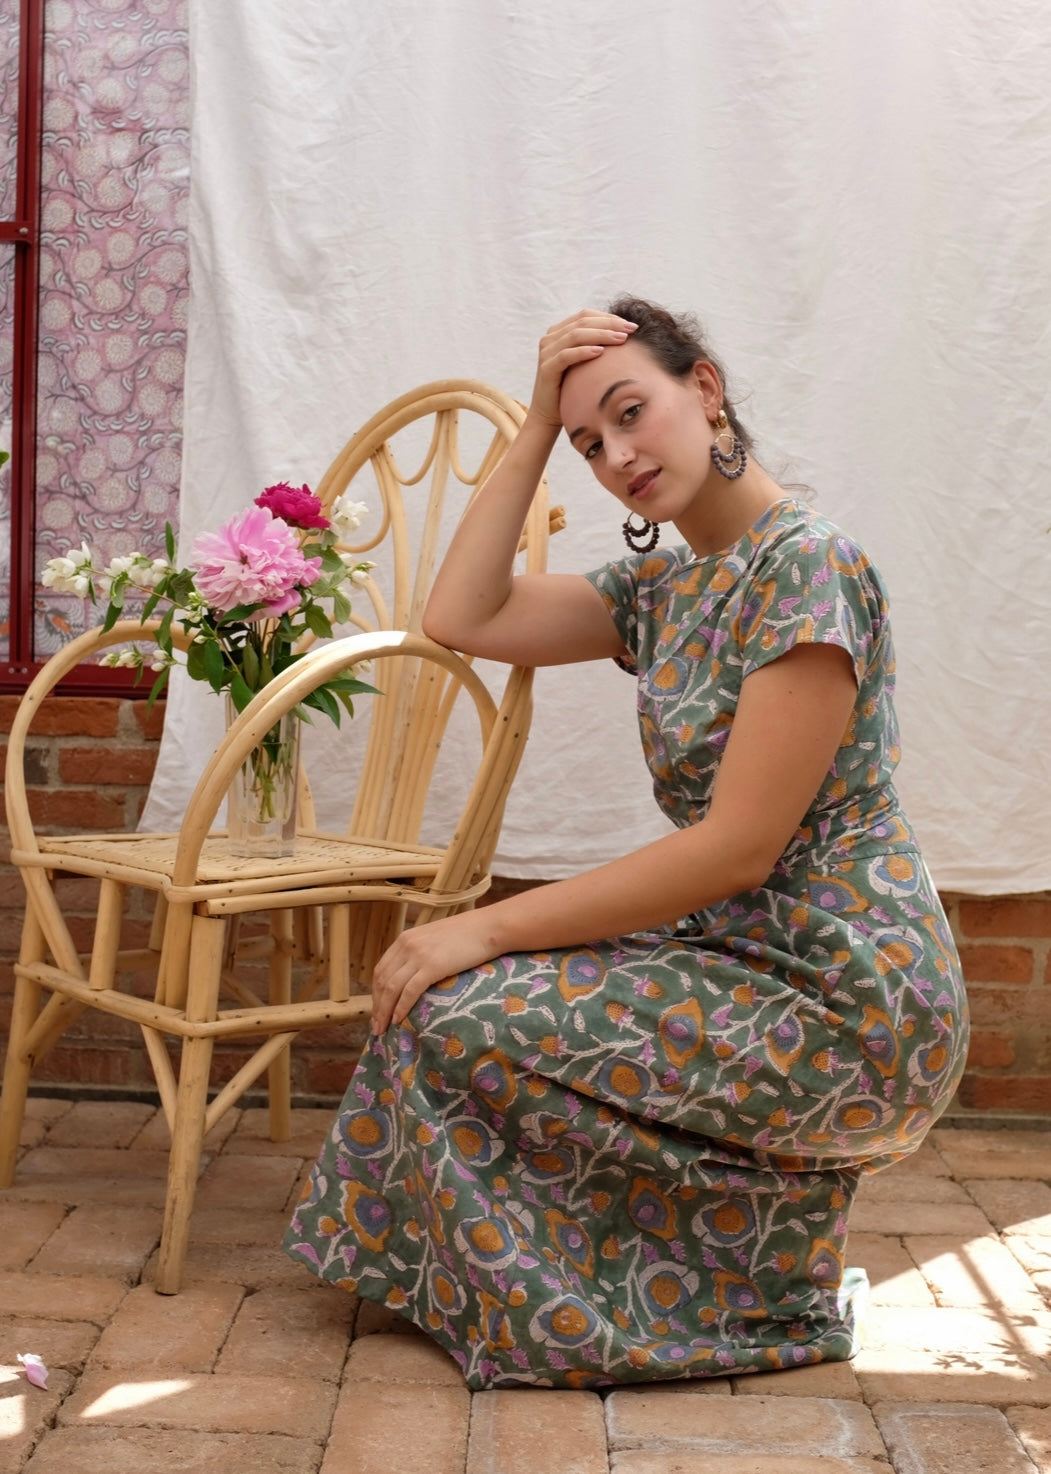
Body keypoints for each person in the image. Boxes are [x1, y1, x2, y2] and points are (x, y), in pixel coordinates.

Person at [282, 296, 968, 1388]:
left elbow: (735, 851)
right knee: (443, 1012)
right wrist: (533, 429)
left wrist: (482, 927)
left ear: (706, 389)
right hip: (740, 963)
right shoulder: (661, 588)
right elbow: (462, 616)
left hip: (849, 995)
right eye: (591, 443)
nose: (618, 456)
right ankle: (671, 1279)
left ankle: (643, 1305)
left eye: (630, 412)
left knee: (457, 1001)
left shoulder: (808, 566)